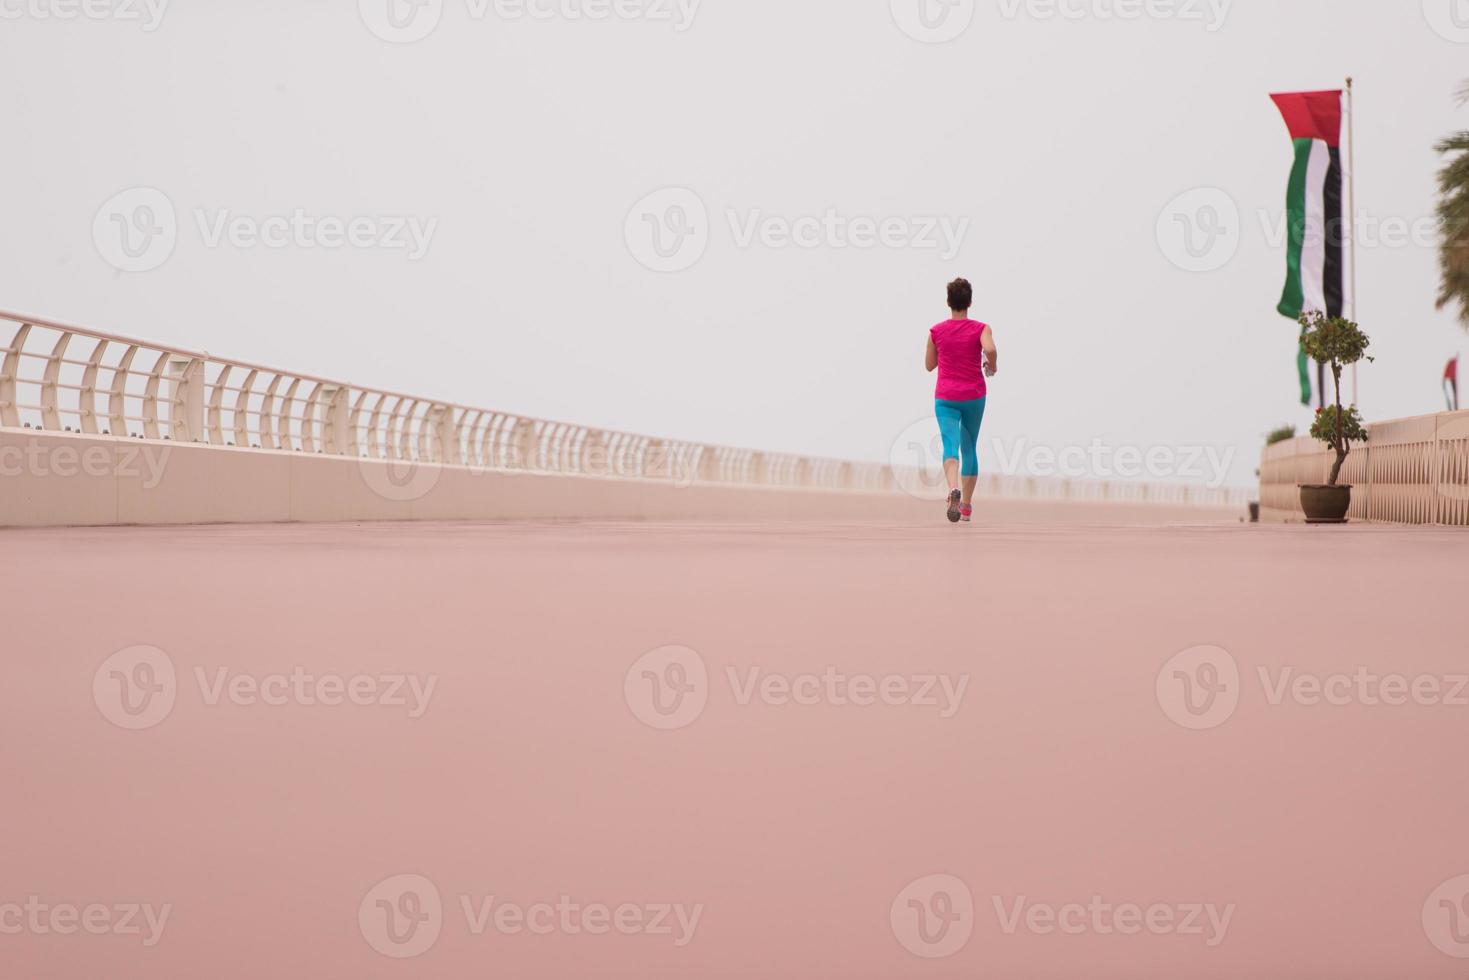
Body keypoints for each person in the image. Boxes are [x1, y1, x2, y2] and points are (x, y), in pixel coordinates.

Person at [925, 278, 997, 524]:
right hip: (974, 396)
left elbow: (929, 365)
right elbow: (991, 349)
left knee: (949, 445)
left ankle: (952, 488)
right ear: (970, 302)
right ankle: (965, 506)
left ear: (948, 302)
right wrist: (992, 365)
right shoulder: (981, 328)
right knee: (969, 447)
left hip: (945, 396)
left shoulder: (936, 331)